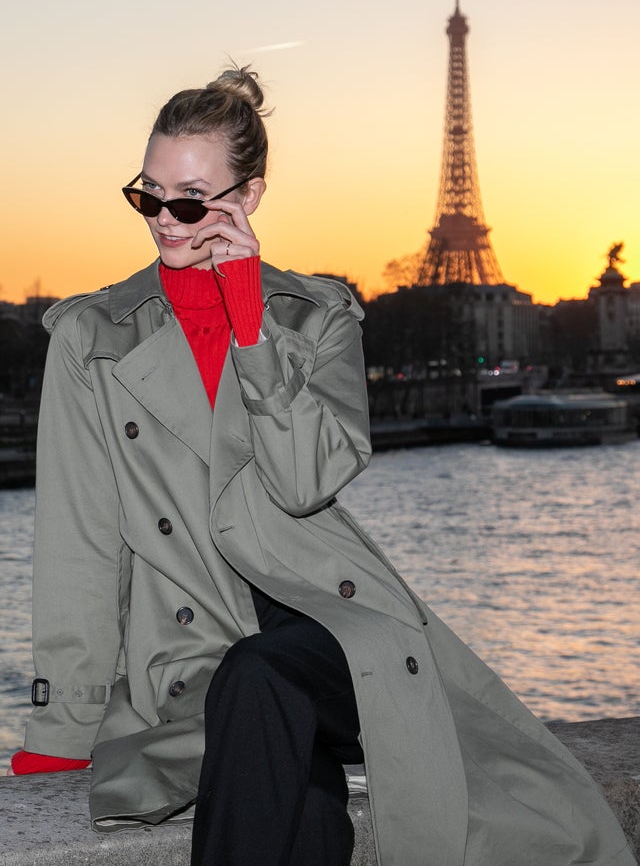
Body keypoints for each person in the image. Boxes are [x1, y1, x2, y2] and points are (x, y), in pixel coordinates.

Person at [8, 65, 634, 866]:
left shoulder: (317, 317)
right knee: (294, 783)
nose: (164, 219)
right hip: (193, 651)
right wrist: (64, 722)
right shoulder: (90, 338)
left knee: (262, 675)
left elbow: (309, 482)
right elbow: (80, 542)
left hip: (329, 625)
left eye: (191, 199)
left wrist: (250, 332)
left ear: (250, 197)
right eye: (147, 195)